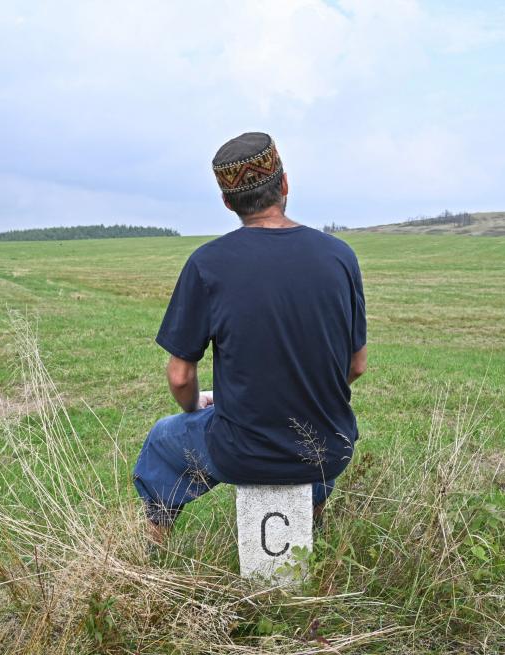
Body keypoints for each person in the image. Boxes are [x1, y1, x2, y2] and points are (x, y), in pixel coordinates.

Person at [133, 132, 368, 541]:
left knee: (161, 441)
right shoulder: (340, 257)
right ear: (285, 184)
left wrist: (196, 406)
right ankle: (310, 525)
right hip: (327, 449)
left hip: (241, 451)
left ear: (227, 202)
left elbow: (180, 377)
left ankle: (156, 556)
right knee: (324, 432)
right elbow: (356, 365)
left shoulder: (207, 264)